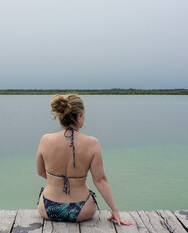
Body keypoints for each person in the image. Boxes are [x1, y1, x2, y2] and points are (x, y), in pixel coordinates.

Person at [36, 94, 132, 226]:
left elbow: (40, 172)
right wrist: (114, 209)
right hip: (81, 211)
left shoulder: (45, 139)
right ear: (79, 116)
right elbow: (100, 180)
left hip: (47, 208)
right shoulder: (92, 143)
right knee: (87, 188)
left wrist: (56, 181)